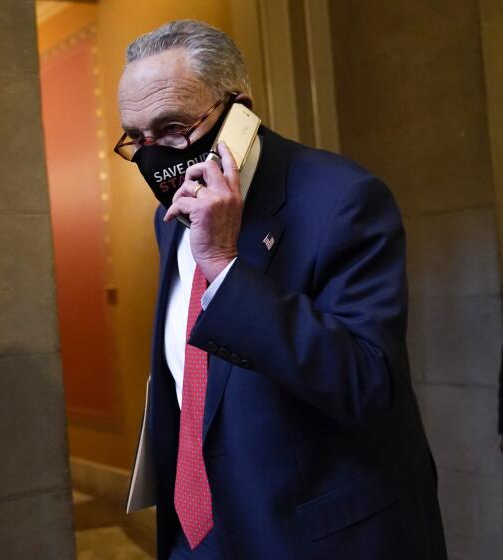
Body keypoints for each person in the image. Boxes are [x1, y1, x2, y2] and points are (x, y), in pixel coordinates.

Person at [117, 20, 447, 559]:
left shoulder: (344, 199)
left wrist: (224, 267)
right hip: (199, 534)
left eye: (173, 127)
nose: (155, 156)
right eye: (137, 137)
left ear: (240, 109)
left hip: (316, 537)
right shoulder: (169, 214)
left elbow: (367, 385)